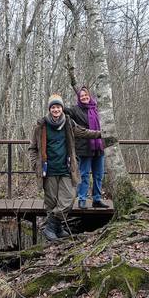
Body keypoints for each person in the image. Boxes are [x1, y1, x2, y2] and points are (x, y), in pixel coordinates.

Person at [28, 94, 102, 241]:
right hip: (48, 170)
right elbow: (32, 148)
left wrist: (101, 134)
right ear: (50, 109)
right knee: (51, 202)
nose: (56, 109)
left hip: (67, 168)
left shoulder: (68, 123)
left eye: (58, 107)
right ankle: (58, 229)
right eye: (53, 107)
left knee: (68, 198)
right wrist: (35, 164)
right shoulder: (41, 125)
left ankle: (50, 227)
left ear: (62, 108)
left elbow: (84, 132)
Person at [64, 85, 108, 209]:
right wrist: (56, 103)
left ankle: (97, 199)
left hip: (99, 146)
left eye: (85, 95)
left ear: (89, 96)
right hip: (84, 148)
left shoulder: (96, 109)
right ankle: (82, 199)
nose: (84, 97)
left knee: (99, 175)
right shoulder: (76, 110)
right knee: (84, 175)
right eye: (81, 96)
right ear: (79, 98)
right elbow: (64, 110)